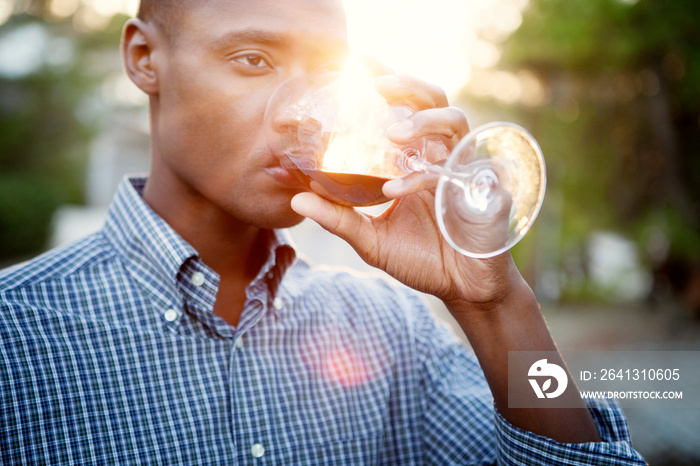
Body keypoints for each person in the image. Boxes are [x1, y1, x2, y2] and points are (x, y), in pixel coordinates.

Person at [0, 0, 645, 464]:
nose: (300, 115)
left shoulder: (392, 328)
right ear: (145, 58)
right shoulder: (15, 340)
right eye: (254, 60)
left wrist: (495, 305)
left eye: (328, 75)